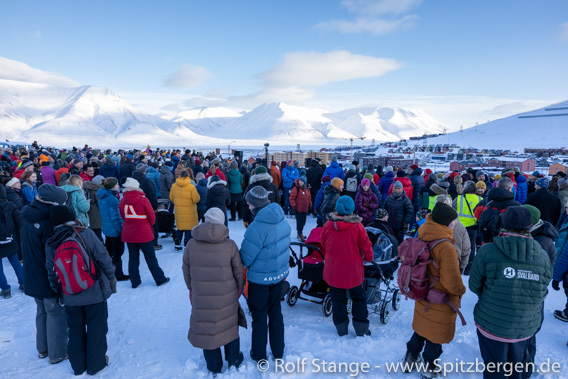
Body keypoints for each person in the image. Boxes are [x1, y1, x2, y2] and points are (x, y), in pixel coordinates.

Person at [469, 206, 551, 379]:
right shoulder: (542, 255)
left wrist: (491, 295)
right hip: (524, 325)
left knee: (494, 368)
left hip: (491, 322)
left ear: (503, 224)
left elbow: (474, 284)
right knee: (516, 368)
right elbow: (543, 289)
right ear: (530, 226)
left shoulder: (488, 251)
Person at [45, 205, 116, 376]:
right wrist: (111, 280)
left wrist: (59, 291)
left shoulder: (51, 241)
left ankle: (78, 366)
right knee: (97, 328)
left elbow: (51, 270)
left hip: (69, 294)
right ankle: (95, 364)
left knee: (74, 330)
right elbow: (103, 258)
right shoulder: (85, 234)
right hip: (94, 291)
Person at [402, 203, 466, 377]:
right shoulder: (446, 247)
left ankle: (410, 356)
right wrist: (461, 290)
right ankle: (430, 367)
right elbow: (452, 282)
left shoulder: (424, 232)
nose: (455, 223)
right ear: (446, 222)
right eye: (454, 220)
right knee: (435, 333)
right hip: (440, 298)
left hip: (421, 289)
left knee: (424, 325)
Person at [182, 207, 245, 375]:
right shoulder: (230, 245)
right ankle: (233, 359)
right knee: (229, 325)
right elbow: (238, 271)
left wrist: (192, 289)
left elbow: (186, 271)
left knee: (207, 328)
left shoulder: (191, 244)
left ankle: (214, 365)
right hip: (227, 294)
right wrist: (239, 287)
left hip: (201, 295)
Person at [240, 186, 291, 362]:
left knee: (259, 317)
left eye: (249, 204)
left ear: (255, 205)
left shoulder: (257, 227)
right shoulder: (283, 221)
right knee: (276, 313)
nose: (247, 207)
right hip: (278, 277)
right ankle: (278, 351)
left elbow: (245, 258)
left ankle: (259, 354)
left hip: (259, 281)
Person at [21, 184, 69, 364]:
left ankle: (43, 348)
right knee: (55, 312)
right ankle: (57, 353)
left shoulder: (28, 214)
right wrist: (56, 280)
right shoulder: (48, 221)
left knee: (42, 311)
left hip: (31, 272)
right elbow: (51, 255)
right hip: (45, 274)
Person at [321, 196, 373, 337]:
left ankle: (341, 329)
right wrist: (369, 258)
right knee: (358, 298)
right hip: (352, 271)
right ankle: (361, 329)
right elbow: (366, 246)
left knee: (338, 299)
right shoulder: (357, 227)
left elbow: (323, 243)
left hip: (333, 270)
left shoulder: (328, 225)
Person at [119, 178, 169, 288]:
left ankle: (135, 281)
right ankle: (159, 278)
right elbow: (152, 217)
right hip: (143, 233)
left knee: (133, 257)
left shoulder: (122, 201)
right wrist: (147, 225)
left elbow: (123, 216)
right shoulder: (143, 200)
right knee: (150, 257)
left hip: (129, 233)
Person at [97, 177, 129, 281]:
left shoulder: (102, 196)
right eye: (116, 185)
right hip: (115, 230)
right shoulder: (112, 199)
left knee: (109, 252)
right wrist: (121, 230)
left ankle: (107, 271)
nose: (118, 186)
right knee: (117, 253)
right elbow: (116, 218)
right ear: (111, 187)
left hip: (107, 229)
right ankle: (118, 274)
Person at [0, 184, 24, 299]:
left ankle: (5, 290)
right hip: (10, 239)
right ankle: (24, 284)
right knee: (15, 261)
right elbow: (19, 223)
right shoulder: (11, 205)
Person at [170, 170, 201, 250]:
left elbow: (171, 198)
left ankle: (177, 244)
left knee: (179, 227)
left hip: (179, 211)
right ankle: (187, 245)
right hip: (190, 211)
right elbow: (196, 199)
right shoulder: (191, 187)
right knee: (188, 228)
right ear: (188, 177)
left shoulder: (174, 186)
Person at [289, 175, 312, 241]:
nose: (300, 182)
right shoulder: (296, 188)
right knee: (300, 222)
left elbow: (309, 198)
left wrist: (310, 206)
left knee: (303, 222)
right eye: (300, 181)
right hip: (298, 209)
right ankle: (300, 234)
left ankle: (299, 233)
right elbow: (292, 198)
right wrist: (294, 206)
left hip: (304, 209)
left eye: (302, 181)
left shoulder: (307, 189)